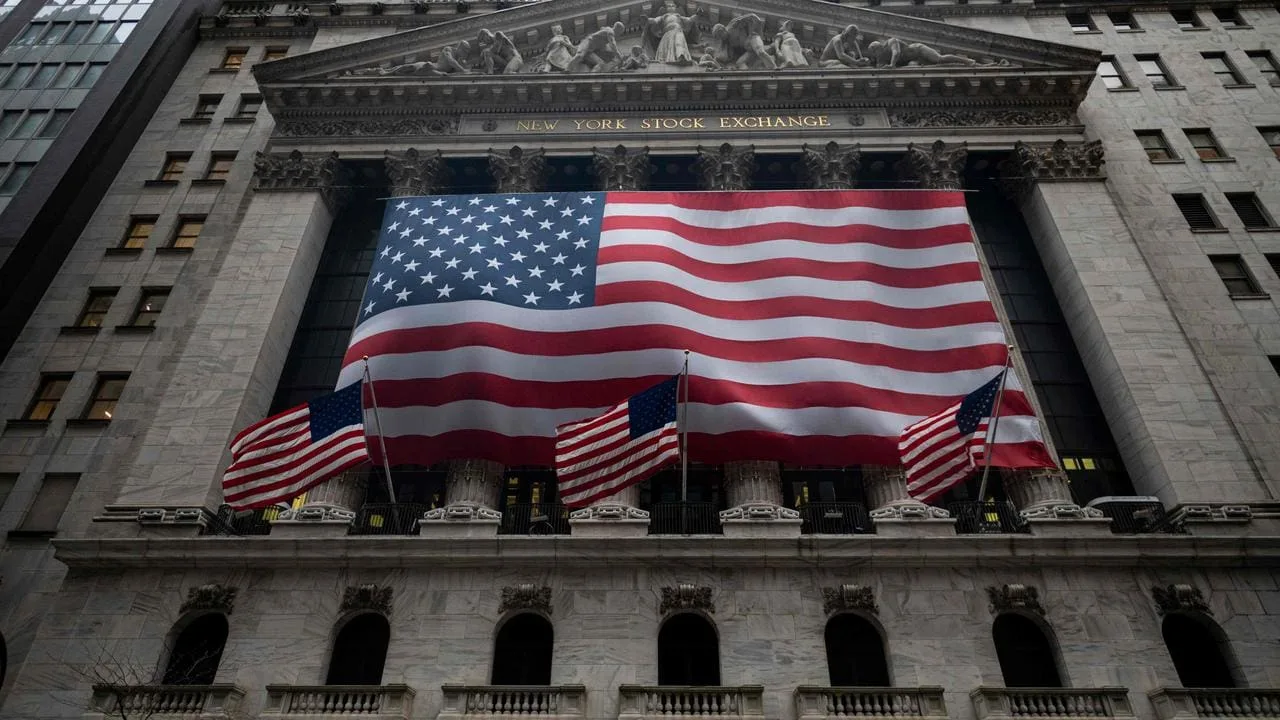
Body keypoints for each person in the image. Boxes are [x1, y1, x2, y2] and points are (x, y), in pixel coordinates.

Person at [867, 36, 977, 67]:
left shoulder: (891, 41)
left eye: (875, 52)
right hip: (916, 59)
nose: (876, 55)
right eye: (874, 54)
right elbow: (879, 68)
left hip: (919, 50)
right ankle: (964, 64)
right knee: (940, 66)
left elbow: (897, 53)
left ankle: (967, 61)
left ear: (879, 47)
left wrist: (892, 65)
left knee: (939, 59)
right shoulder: (881, 57)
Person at [646, 0, 698, 65]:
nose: (671, 7)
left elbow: (689, 20)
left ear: (675, 8)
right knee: (667, 46)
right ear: (666, 8)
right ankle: (669, 58)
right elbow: (655, 20)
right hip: (667, 33)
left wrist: (696, 14)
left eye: (673, 6)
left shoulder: (678, 16)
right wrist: (648, 20)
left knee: (679, 43)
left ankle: (681, 56)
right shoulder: (664, 16)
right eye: (669, 6)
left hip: (678, 31)